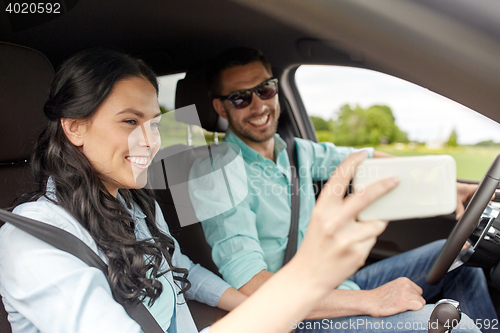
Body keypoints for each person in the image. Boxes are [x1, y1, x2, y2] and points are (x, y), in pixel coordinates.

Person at [0, 48, 408, 333]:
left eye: (155, 123)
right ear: (74, 127)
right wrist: (295, 290)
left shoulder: (135, 203)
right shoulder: (33, 241)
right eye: (129, 122)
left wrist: (253, 309)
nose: (151, 141)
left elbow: (183, 271)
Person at [189, 47, 497, 332]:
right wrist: (372, 300)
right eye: (241, 98)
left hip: (336, 287)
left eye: (264, 90)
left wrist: (449, 187)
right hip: (291, 313)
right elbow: (251, 286)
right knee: (455, 327)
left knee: (461, 258)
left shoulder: (298, 152)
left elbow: (368, 159)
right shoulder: (215, 173)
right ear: (221, 107)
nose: (258, 105)